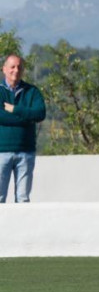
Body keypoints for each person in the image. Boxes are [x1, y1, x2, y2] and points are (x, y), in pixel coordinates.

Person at [0, 54, 46, 203]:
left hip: (26, 152)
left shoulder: (32, 92)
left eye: (19, 67)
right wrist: (27, 117)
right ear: (4, 69)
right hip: (1, 153)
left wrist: (14, 109)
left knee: (23, 199)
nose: (16, 70)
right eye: (12, 66)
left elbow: (40, 114)